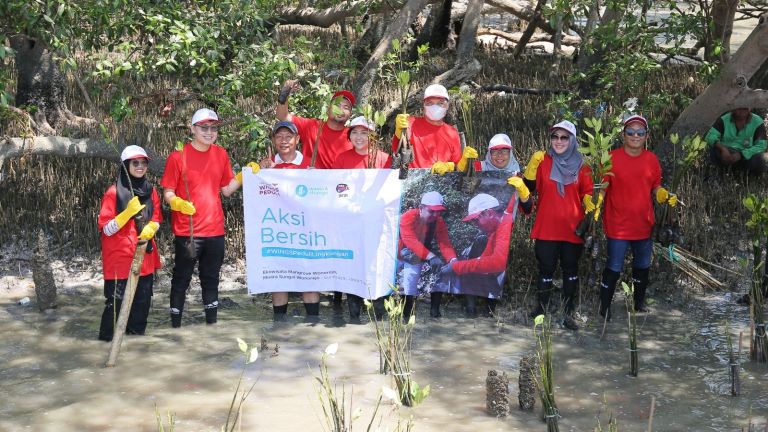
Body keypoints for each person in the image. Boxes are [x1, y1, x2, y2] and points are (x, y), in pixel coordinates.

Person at [161, 108, 258, 327]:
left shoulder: (221, 154)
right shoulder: (178, 157)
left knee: (211, 278)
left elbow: (226, 190)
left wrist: (244, 175)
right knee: (181, 278)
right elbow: (168, 191)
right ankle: (175, 326)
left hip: (215, 230)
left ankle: (211, 326)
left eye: (213, 128)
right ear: (192, 129)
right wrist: (175, 202)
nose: (209, 132)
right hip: (189, 231)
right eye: (204, 127)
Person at [598, 115, 678, 320]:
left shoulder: (651, 159)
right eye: (631, 132)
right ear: (623, 135)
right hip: (617, 225)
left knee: (642, 265)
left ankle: (638, 305)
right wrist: (596, 203)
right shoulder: (610, 157)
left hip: (644, 224)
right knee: (613, 267)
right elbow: (603, 188)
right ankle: (604, 308)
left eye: (640, 133)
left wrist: (662, 194)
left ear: (646, 136)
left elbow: (655, 186)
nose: (635, 136)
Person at [518, 120, 594, 330]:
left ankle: (569, 310)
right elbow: (528, 190)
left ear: (572, 140)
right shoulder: (543, 161)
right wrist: (531, 169)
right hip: (547, 226)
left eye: (564, 137)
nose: (558, 141)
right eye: (555, 137)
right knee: (546, 269)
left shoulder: (583, 165)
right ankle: (540, 308)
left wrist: (589, 201)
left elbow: (588, 191)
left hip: (573, 227)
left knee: (571, 269)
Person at [97, 145, 162, 341]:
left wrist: (153, 227)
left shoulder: (151, 191)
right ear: (126, 165)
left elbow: (157, 218)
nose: (140, 166)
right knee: (114, 306)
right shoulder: (112, 193)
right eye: (135, 163)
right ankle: (106, 343)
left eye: (143, 163)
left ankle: (135, 347)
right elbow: (105, 228)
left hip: (144, 258)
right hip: (119, 260)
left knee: (141, 305)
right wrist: (125, 214)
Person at [330, 116, 390, 321]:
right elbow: (335, 189)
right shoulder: (341, 159)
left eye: (364, 132)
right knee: (352, 266)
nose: (359, 137)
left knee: (376, 266)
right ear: (349, 136)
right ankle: (354, 317)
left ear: (372, 136)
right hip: (350, 225)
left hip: (377, 224)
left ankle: (379, 317)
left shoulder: (384, 158)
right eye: (354, 132)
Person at [260, 120, 321, 320]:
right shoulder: (266, 165)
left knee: (309, 278)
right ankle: (279, 328)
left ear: (297, 139)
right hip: (279, 234)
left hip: (307, 233)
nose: (284, 141)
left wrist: (316, 178)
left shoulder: (311, 164)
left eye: (288, 137)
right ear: (273, 140)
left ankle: (313, 324)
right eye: (279, 137)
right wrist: (260, 173)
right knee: (279, 278)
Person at [438, 193, 521, 317]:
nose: (475, 225)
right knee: (473, 263)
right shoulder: (495, 229)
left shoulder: (504, 226)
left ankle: (488, 309)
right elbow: (483, 259)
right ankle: (476, 309)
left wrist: (457, 267)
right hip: (494, 276)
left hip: (511, 273)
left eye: (476, 220)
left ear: (489, 213)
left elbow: (498, 262)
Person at [392, 84, 477, 174]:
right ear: (423, 105)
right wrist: (399, 132)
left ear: (447, 105)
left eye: (440, 103)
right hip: (413, 182)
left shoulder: (452, 133)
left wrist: (454, 165)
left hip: (441, 184)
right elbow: (398, 148)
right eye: (430, 103)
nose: (435, 107)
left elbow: (457, 165)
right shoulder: (411, 123)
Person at [398, 191, 458, 319]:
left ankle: (435, 314)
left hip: (421, 255)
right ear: (421, 208)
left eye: (438, 212)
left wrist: (453, 260)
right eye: (432, 211)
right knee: (409, 279)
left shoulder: (438, 221)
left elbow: (444, 243)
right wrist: (431, 257)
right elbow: (410, 240)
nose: (435, 215)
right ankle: (406, 315)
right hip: (401, 255)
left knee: (440, 273)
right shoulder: (407, 217)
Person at [276, 80, 354, 169]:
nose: (341, 110)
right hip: (312, 181)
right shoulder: (311, 127)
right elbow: (282, 116)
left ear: (350, 114)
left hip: (342, 182)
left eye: (346, 107)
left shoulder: (354, 135)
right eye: (337, 105)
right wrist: (285, 92)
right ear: (328, 109)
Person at [706, 107, 768, 174]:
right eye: (739, 108)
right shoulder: (724, 119)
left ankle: (746, 176)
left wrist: (742, 154)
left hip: (746, 155)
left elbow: (762, 145)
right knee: (713, 150)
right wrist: (723, 149)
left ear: (749, 108)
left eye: (744, 108)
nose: (741, 111)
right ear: (733, 108)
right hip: (726, 153)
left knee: (758, 159)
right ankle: (718, 173)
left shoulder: (757, 121)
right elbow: (710, 136)